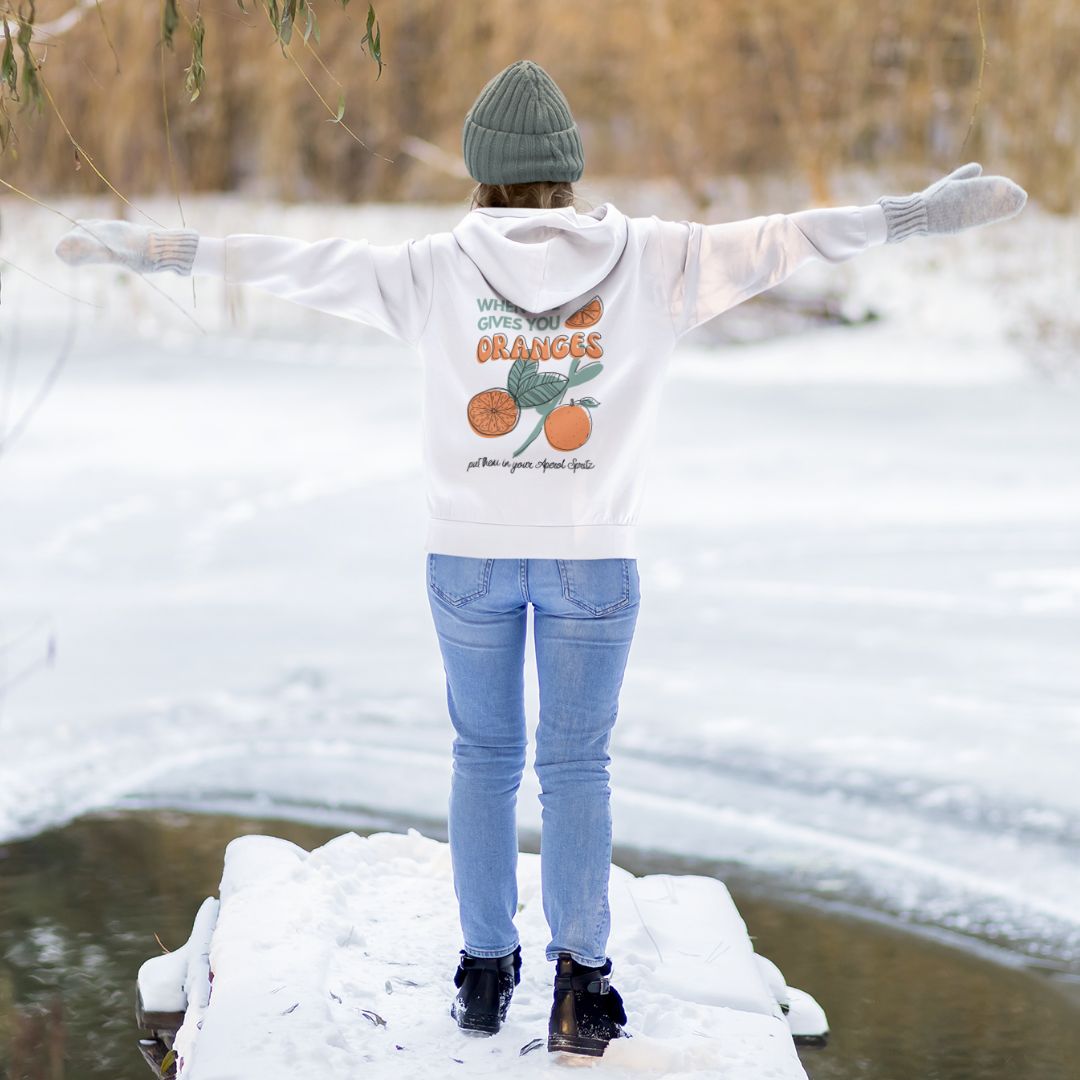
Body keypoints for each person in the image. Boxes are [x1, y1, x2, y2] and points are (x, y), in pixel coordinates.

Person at [54, 58, 1026, 1057]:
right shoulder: (658, 258)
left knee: (483, 758)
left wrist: (158, 248)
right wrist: (916, 215)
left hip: (468, 557)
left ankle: (482, 973)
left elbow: (292, 261)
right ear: (568, 169)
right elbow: (795, 237)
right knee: (575, 767)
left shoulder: (432, 268)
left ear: (480, 171)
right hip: (591, 561)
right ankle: (582, 986)